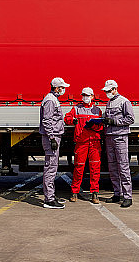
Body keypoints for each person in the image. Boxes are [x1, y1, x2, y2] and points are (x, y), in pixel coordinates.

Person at [64, 87, 103, 203]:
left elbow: (101, 126)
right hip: (81, 142)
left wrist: (94, 126)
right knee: (78, 168)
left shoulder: (97, 110)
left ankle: (95, 193)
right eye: (83, 95)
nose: (85, 97)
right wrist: (73, 121)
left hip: (94, 143)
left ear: (92, 96)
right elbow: (67, 118)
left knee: (95, 168)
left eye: (87, 95)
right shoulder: (76, 109)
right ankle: (74, 192)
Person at [101, 79, 135, 207]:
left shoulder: (124, 101)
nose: (107, 93)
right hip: (109, 137)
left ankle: (127, 196)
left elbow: (130, 118)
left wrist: (114, 122)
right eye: (106, 91)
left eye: (109, 91)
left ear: (115, 89)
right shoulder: (109, 102)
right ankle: (117, 193)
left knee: (123, 167)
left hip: (120, 137)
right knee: (112, 167)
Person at [39, 77, 70, 209]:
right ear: (57, 88)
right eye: (62, 88)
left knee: (52, 167)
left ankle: (50, 195)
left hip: (54, 136)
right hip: (51, 137)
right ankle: (49, 200)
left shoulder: (52, 99)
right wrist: (52, 138)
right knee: (51, 168)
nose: (63, 90)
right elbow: (47, 120)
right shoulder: (51, 100)